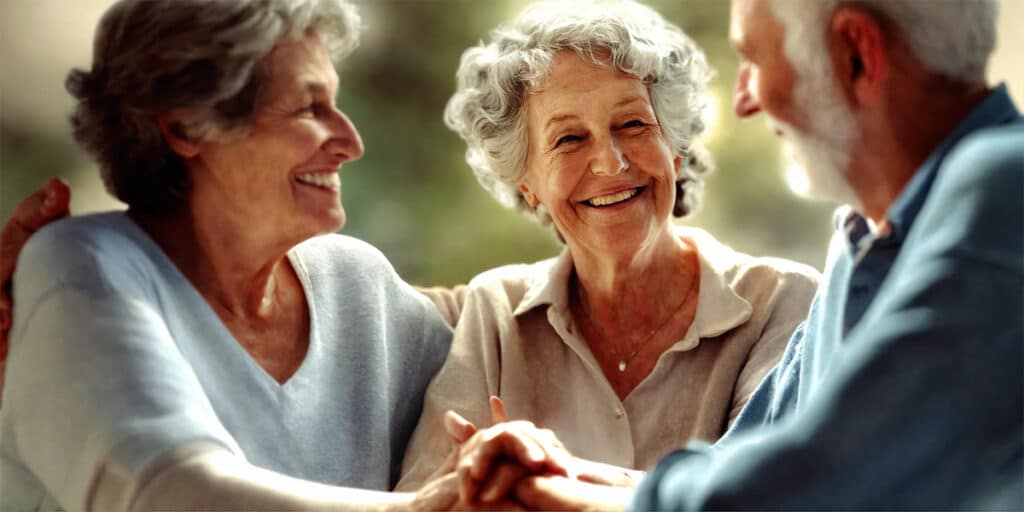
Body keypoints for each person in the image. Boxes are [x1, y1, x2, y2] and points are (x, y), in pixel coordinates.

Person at [444, 0, 1023, 509]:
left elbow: (818, 483)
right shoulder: (862, 238)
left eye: (755, 59)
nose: (743, 99)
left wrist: (549, 494)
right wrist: (552, 471)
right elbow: (747, 463)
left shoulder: (1002, 186)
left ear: (856, 54)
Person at [0, 1, 463, 510]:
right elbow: (170, 491)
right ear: (188, 127)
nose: (350, 143)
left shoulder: (356, 284)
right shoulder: (81, 268)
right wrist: (435, 506)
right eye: (309, 108)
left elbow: (504, 341)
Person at [395, 0, 820, 496]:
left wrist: (544, 480)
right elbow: (422, 500)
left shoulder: (783, 303)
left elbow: (762, 497)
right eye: (570, 139)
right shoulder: (495, 313)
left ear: (675, 149)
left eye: (633, 125)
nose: (611, 162)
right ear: (527, 182)